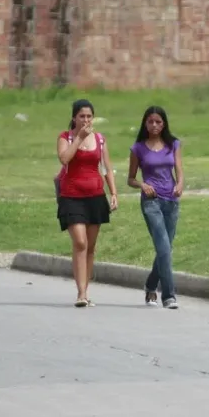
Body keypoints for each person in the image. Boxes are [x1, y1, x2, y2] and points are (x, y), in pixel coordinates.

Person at [56, 99, 118, 308]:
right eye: (81, 116)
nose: (85, 120)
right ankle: (80, 293)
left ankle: (85, 292)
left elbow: (107, 168)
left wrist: (114, 193)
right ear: (74, 117)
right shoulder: (65, 137)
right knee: (80, 242)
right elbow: (64, 159)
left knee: (90, 247)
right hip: (72, 196)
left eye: (89, 116)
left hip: (95, 196)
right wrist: (78, 139)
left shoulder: (99, 139)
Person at [127, 105, 184, 309]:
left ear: (164, 123)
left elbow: (179, 169)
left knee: (165, 249)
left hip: (171, 201)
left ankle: (151, 284)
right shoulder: (138, 148)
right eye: (150, 121)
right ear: (145, 123)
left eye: (158, 121)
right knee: (163, 247)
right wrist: (143, 184)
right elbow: (131, 179)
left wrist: (180, 185)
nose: (154, 125)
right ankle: (169, 296)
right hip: (151, 202)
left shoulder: (173, 144)